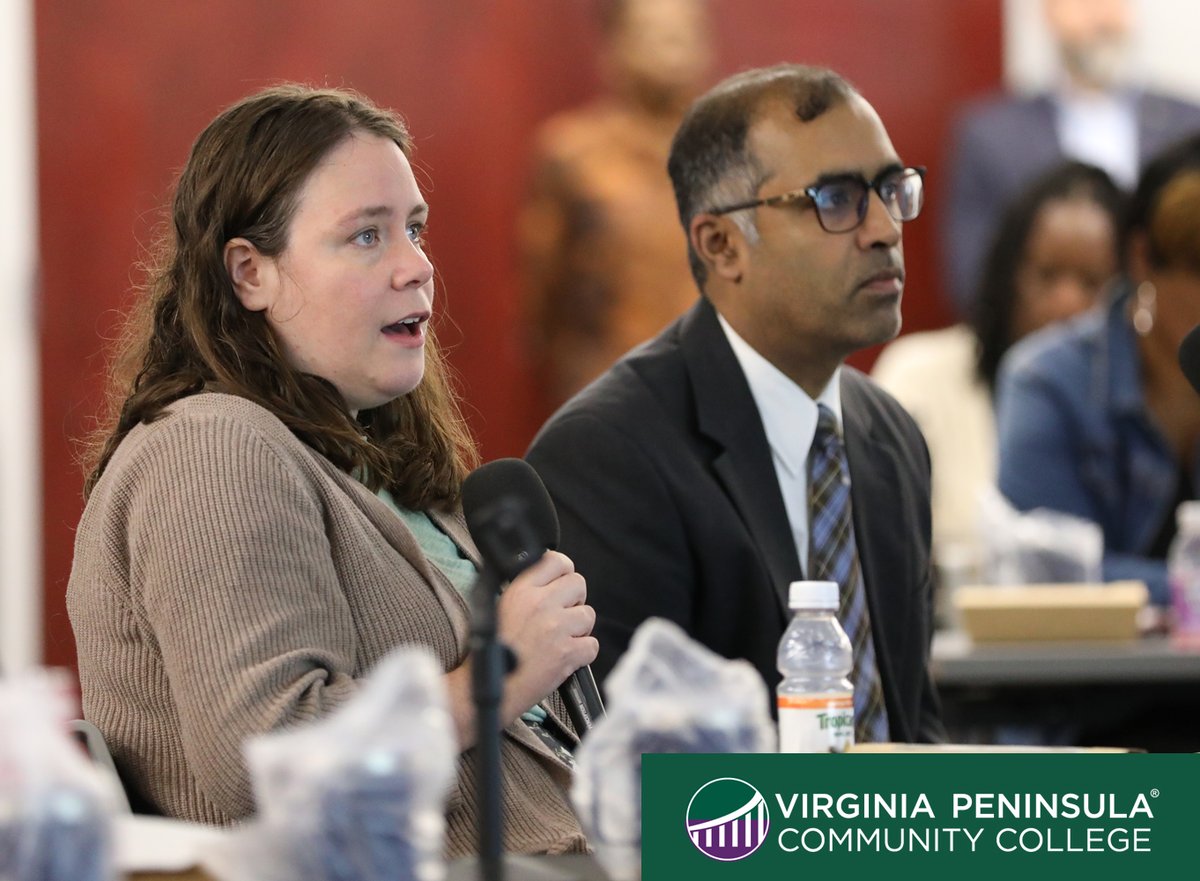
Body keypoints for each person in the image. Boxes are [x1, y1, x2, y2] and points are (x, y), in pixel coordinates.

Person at [66, 85, 597, 855]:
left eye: (414, 228)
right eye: (365, 237)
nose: (416, 266)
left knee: (827, 817)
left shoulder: (372, 455)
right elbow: (268, 763)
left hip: (592, 842)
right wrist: (498, 676)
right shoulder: (211, 448)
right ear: (250, 274)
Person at [527, 64, 944, 744]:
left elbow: (916, 731)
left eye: (892, 190)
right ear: (721, 245)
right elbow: (636, 778)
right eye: (836, 200)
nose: (885, 229)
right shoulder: (608, 454)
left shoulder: (890, 433)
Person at [874, 161, 1123, 589]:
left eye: (1091, 283)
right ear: (1008, 274)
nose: (1067, 305)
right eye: (1047, 276)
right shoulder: (917, 375)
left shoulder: (1149, 406)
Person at [997, 133, 1200, 607]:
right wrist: (1184, 589)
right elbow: (1050, 572)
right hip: (1089, 676)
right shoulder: (1046, 380)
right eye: (1198, 266)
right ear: (1142, 257)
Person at [942, 0, 1200, 316]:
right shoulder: (990, 136)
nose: (1100, 17)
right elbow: (972, 277)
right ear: (1048, 12)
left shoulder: (1189, 125)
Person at [518, 0, 712, 412]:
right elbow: (542, 299)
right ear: (615, 45)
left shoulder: (726, 154)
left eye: (685, 33)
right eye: (654, 34)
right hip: (606, 396)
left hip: (709, 394)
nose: (673, 49)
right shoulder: (573, 154)